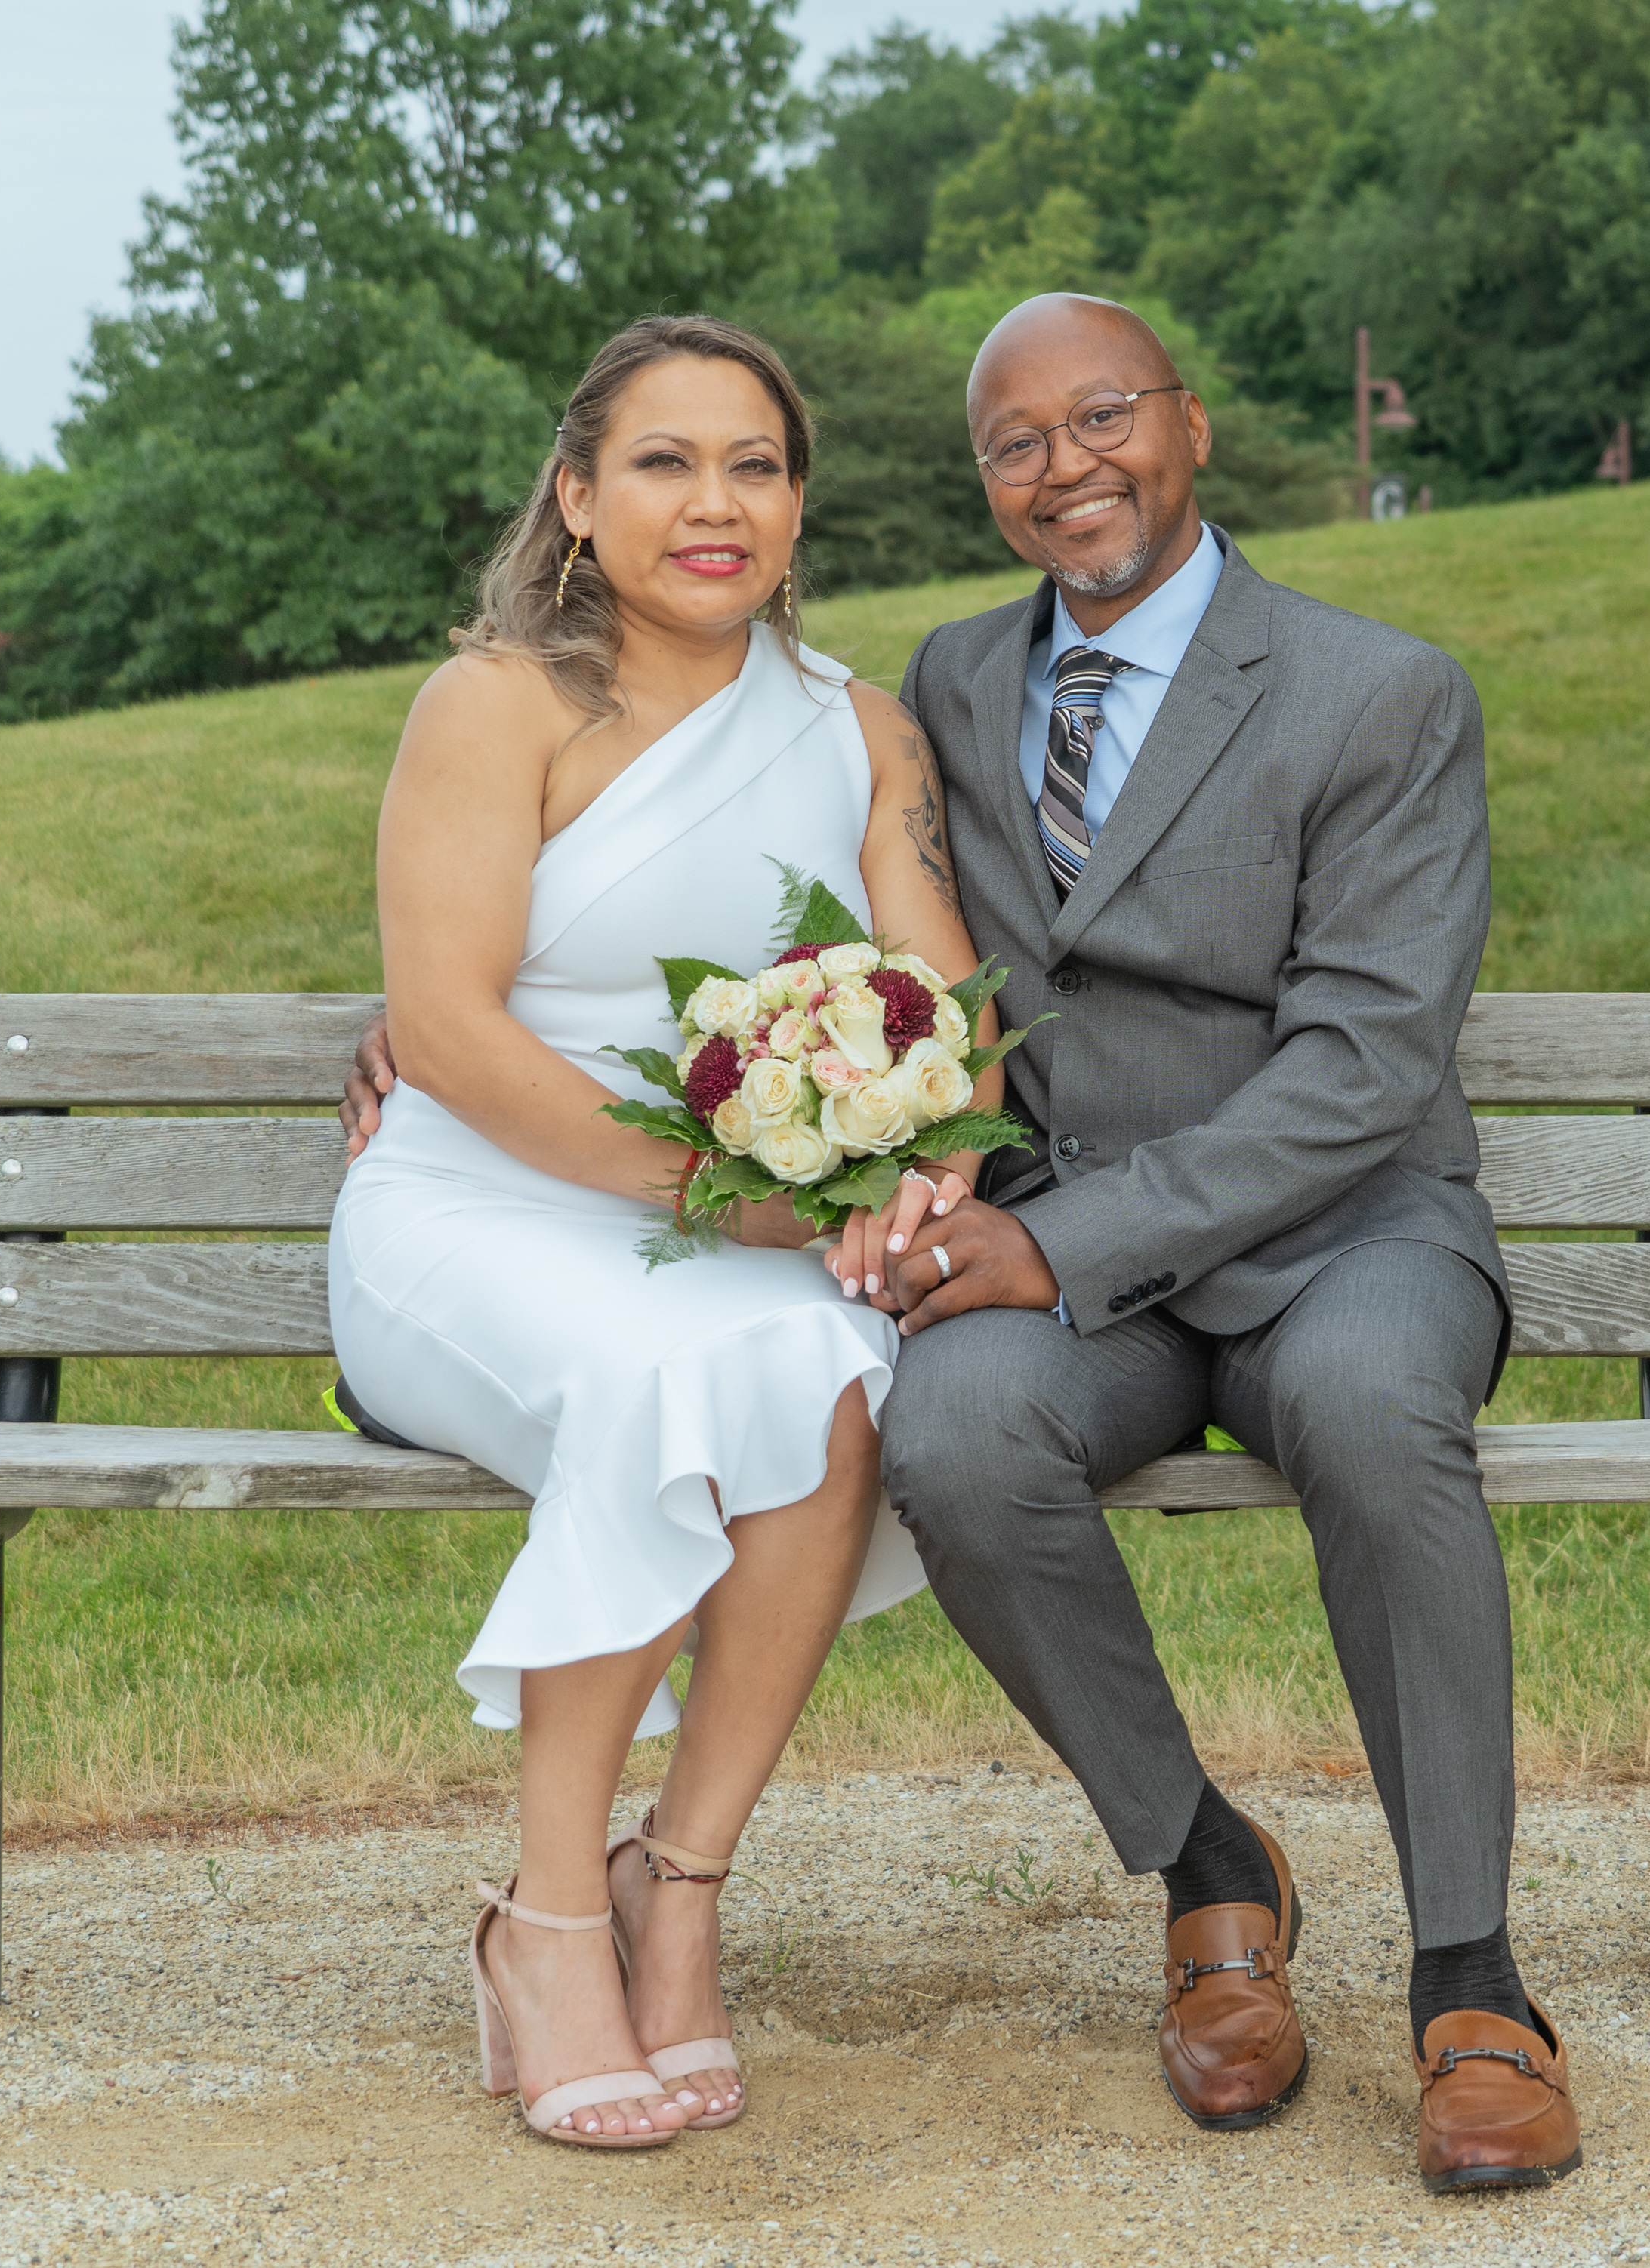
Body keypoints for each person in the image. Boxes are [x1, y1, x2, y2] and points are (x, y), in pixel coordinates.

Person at [347, 292, 1583, 2193]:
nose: (1066, 465)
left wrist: (996, 1218)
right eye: (1017, 440)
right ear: (577, 495)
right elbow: (915, 997)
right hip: (1032, 1239)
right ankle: (1207, 1871)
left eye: (1106, 417)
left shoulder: (1373, 690)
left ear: (1189, 425)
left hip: (1332, 1228)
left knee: (1363, 1404)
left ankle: (1472, 1981)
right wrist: (445, 1029)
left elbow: (1355, 1066)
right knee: (950, 1425)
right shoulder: (953, 685)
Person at [330, 314, 1001, 2150]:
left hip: (757, 1229)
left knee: (825, 1384)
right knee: (671, 1371)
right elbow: (448, 1025)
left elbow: (943, 1010)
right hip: (477, 1210)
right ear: (576, 495)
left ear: (799, 505)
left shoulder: (860, 730)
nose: (717, 503)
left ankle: (677, 1885)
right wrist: (719, 1192)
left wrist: (916, 1159)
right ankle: (547, 1919)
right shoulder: (495, 707)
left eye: (755, 466)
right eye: (664, 462)